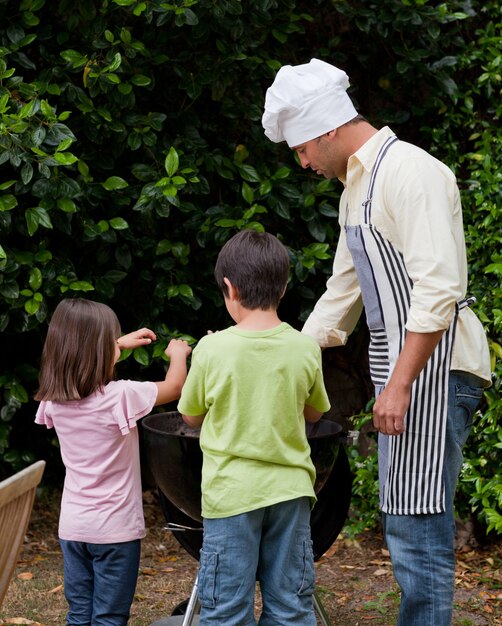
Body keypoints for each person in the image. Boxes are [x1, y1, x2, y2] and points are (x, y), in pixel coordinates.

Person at [262, 58, 491, 626]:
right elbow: (342, 296)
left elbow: (438, 289)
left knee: (418, 528)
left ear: (328, 129)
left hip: (434, 370)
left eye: (302, 149)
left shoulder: (412, 172)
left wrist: (399, 383)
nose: (303, 162)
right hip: (408, 373)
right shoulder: (355, 190)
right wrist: (272, 356)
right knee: (405, 520)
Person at [177, 229, 331, 625]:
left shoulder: (212, 349)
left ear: (229, 288)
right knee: (290, 608)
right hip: (291, 494)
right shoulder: (305, 347)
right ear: (283, 287)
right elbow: (315, 414)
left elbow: (191, 417)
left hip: (230, 495)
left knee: (226, 608)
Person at [34, 298, 192, 626]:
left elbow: (78, 352)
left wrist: (118, 343)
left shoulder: (53, 399)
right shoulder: (121, 396)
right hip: (115, 533)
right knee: (109, 618)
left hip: (74, 529)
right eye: (109, 342)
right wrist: (178, 354)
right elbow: (175, 387)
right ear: (98, 352)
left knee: (79, 616)